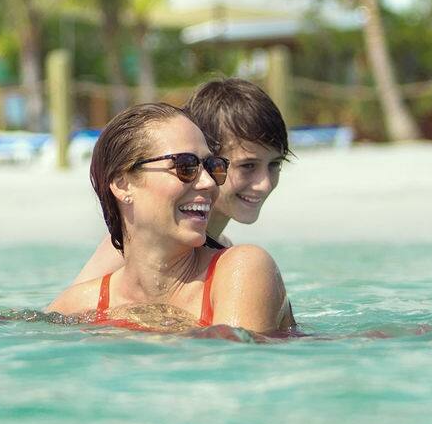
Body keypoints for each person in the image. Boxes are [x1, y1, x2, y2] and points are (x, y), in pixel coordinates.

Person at [47, 102, 292, 334]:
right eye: (185, 166)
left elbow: (230, 368)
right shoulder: (80, 304)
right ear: (123, 184)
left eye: (212, 165)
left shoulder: (242, 269)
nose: (208, 182)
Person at [66, 78, 289, 286]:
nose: (265, 184)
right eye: (247, 166)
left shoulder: (225, 250)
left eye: (274, 165)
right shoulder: (132, 249)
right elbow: (74, 315)